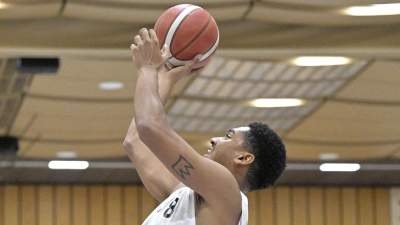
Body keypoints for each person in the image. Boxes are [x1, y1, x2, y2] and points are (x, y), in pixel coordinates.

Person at [124, 28, 286, 225]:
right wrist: (166, 76)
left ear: (243, 158)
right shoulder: (186, 192)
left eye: (228, 137)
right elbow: (135, 142)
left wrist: (147, 69)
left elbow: (149, 127)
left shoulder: (226, 188)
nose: (214, 139)